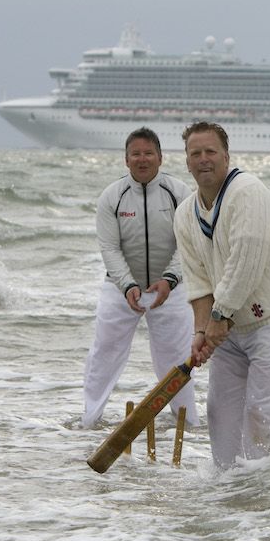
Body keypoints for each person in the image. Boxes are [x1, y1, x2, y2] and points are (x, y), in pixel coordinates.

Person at [173, 121, 270, 468]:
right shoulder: (185, 213)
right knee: (220, 414)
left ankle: (258, 494)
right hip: (229, 327)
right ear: (187, 161)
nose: (203, 159)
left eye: (210, 152)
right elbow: (198, 281)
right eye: (195, 153)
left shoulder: (247, 190)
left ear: (226, 156)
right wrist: (202, 331)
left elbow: (247, 259)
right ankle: (227, 491)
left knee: (262, 416)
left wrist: (221, 317)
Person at [82, 127, 198, 428]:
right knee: (103, 355)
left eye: (148, 153)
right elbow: (109, 246)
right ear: (126, 160)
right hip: (120, 290)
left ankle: (187, 424)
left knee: (177, 360)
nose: (142, 159)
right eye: (136, 154)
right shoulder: (112, 196)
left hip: (170, 290)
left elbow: (188, 244)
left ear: (160, 157)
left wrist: (170, 280)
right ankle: (89, 421)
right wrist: (127, 285)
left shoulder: (180, 192)